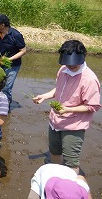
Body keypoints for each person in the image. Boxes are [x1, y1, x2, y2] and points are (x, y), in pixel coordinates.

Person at [32, 40, 100, 174]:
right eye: (67, 64)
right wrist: (45, 96)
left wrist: (68, 109)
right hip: (55, 121)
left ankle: (71, 188)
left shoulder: (90, 79)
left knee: (71, 161)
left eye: (73, 65)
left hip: (74, 126)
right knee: (54, 151)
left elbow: (92, 106)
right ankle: (56, 176)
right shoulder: (63, 69)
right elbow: (58, 89)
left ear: (83, 57)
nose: (70, 67)